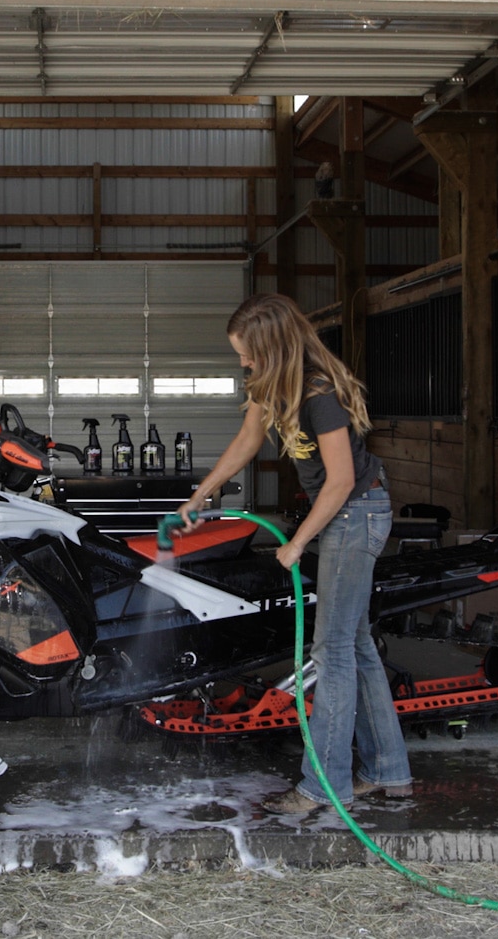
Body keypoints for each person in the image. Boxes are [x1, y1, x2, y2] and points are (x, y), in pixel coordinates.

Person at [175, 293, 413, 815]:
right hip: (342, 513)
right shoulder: (271, 383)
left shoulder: (319, 392)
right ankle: (388, 771)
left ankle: (322, 788)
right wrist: (200, 496)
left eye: (247, 354)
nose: (243, 363)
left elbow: (342, 480)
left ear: (273, 347)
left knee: (330, 653)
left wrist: (298, 542)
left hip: (355, 512)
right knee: (355, 646)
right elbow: (246, 439)